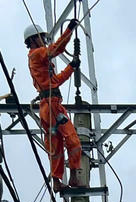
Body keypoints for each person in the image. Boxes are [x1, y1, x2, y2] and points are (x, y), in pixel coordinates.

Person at [24, 22, 84, 193]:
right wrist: (69, 30)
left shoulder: (40, 58)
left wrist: (71, 67)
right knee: (65, 143)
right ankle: (65, 179)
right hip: (50, 106)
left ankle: (64, 179)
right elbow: (56, 48)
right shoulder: (36, 55)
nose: (44, 40)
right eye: (41, 37)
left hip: (53, 104)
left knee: (63, 143)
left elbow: (55, 81)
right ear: (33, 40)